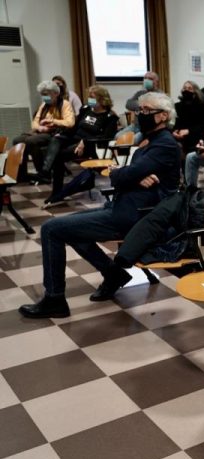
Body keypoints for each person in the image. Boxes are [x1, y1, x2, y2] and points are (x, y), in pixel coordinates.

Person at [18, 92, 181, 318]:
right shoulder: (149, 139)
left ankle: (54, 299)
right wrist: (130, 174)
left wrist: (123, 173)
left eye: (146, 110)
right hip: (126, 205)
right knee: (69, 229)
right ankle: (113, 274)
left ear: (163, 116)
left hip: (139, 216)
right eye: (139, 109)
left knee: (51, 229)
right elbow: (129, 172)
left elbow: (124, 174)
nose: (139, 114)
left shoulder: (164, 144)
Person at [42, 85, 119, 206]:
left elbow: (105, 138)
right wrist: (62, 133)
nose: (89, 100)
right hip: (75, 139)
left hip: (91, 146)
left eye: (92, 97)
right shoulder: (86, 109)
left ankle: (56, 190)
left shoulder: (110, 117)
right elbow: (75, 127)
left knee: (59, 156)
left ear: (102, 99)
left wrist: (85, 142)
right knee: (55, 140)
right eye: (89, 97)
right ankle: (45, 171)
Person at [12, 80, 75, 182]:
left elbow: (70, 122)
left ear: (56, 93)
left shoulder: (65, 104)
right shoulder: (44, 105)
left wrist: (52, 121)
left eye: (46, 94)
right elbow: (35, 122)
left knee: (31, 141)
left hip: (55, 133)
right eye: (42, 95)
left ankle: (43, 173)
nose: (44, 97)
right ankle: (22, 174)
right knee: (17, 140)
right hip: (42, 131)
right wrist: (39, 128)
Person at [114, 71, 162, 144]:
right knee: (117, 137)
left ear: (156, 82)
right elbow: (128, 104)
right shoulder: (140, 93)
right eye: (145, 78)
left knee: (133, 140)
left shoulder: (160, 95)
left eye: (150, 79)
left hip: (148, 128)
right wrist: (142, 105)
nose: (147, 80)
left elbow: (155, 108)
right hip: (135, 125)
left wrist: (144, 106)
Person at [172, 81, 204, 156]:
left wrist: (188, 131)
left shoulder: (203, 107)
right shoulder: (177, 106)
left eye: (190, 88)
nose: (186, 90)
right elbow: (175, 123)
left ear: (195, 92)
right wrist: (175, 131)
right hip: (179, 137)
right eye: (184, 88)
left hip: (195, 136)